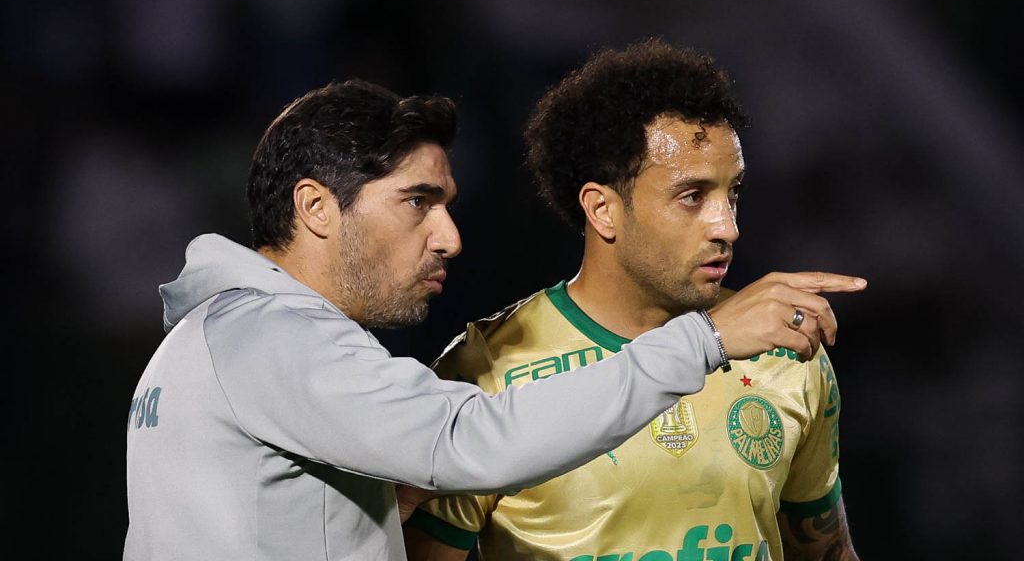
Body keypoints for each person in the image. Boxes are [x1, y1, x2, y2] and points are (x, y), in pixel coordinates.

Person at [123, 77, 865, 561]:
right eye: (418, 201)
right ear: (317, 208)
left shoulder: (202, 345)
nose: (448, 236)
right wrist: (701, 342)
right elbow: (469, 437)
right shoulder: (273, 341)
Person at [403, 39, 862, 561]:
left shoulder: (785, 349)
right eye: (692, 197)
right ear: (603, 210)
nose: (728, 227)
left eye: (732, 193)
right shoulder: (483, 373)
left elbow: (828, 550)